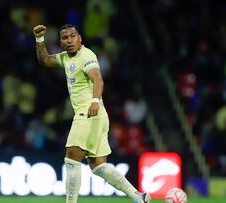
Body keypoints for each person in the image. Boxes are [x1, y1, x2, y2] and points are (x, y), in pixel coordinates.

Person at [33, 24, 150, 203]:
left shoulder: (86, 55)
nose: (70, 40)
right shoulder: (65, 58)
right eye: (65, 38)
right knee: (98, 167)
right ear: (61, 42)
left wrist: (94, 101)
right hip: (97, 116)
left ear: (80, 38)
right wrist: (40, 39)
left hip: (88, 112)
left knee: (71, 158)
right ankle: (138, 197)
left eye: (73, 36)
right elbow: (45, 60)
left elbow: (97, 78)